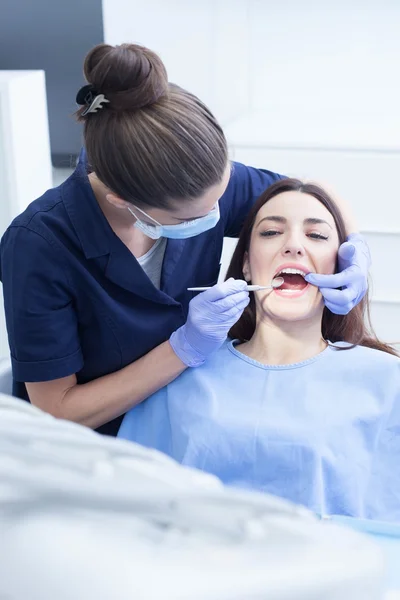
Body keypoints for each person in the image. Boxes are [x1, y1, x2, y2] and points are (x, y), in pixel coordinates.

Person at [0, 43, 370, 437]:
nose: (216, 214)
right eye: (194, 216)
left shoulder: (197, 180)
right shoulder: (38, 245)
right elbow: (57, 411)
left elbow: (311, 192)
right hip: (98, 451)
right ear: (124, 203)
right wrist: (183, 348)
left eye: (221, 196)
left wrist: (355, 251)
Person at [119, 178, 400, 522]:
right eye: (270, 233)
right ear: (248, 264)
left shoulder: (387, 382)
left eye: (316, 235)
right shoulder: (178, 374)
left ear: (342, 268)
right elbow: (128, 507)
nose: (293, 246)